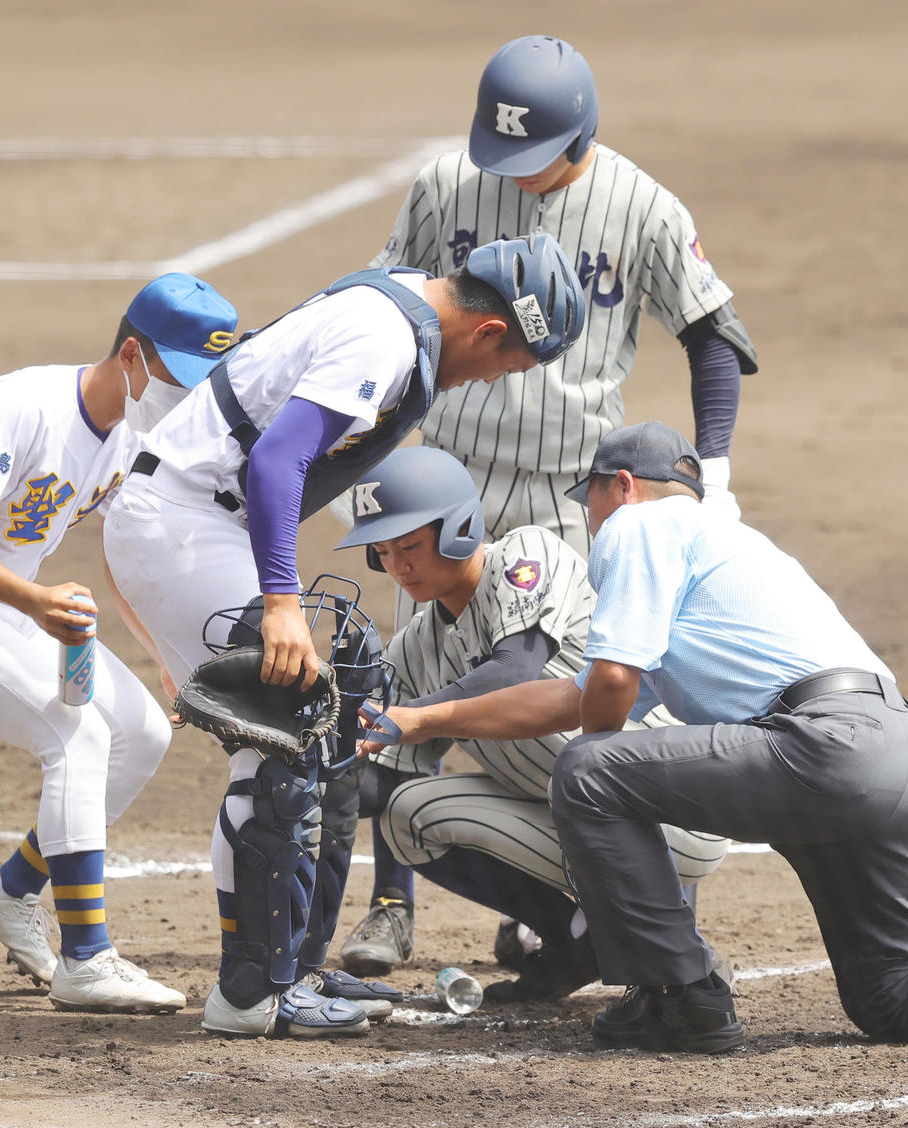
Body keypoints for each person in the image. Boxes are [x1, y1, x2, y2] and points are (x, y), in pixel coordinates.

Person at [363, 420, 908, 1053]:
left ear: (623, 486)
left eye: (592, 499)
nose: (590, 517)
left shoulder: (641, 526)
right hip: (907, 755)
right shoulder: (726, 554)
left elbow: (605, 692)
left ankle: (682, 995)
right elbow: (575, 698)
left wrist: (595, 766)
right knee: (886, 995)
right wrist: (425, 719)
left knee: (588, 771)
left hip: (823, 749)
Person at [101, 233, 587, 1038]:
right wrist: (280, 601)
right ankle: (251, 996)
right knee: (288, 738)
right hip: (187, 526)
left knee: (323, 728)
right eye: (506, 365)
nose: (492, 379)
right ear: (491, 330)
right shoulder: (385, 337)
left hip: (199, 526)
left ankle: (293, 967)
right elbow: (277, 461)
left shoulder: (403, 308)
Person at [346, 33, 759, 967]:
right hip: (448, 476)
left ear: (583, 134)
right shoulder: (447, 183)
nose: (517, 171)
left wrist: (715, 472)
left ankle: (586, 892)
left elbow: (712, 334)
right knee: (412, 681)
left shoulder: (643, 206)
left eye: (535, 154)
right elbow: (386, 296)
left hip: (577, 495)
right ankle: (390, 905)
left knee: (593, 686)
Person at [0, 273, 239, 1013]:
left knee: (141, 733)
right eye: (177, 375)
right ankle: (87, 959)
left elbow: (122, 549)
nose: (186, 394)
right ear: (130, 354)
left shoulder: (133, 437)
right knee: (77, 736)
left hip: (8, 605)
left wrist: (163, 659)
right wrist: (35, 601)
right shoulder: (23, 405)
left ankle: (8, 893)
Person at [325, 445, 729, 1003]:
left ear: (458, 528)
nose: (398, 566)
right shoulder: (415, 648)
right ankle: (575, 943)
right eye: (383, 552)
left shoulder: (525, 554)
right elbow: (383, 779)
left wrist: (415, 717)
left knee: (598, 818)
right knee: (407, 814)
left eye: (410, 546)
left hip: (670, 805)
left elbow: (514, 669)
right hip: (574, 813)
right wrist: (306, 771)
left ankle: (668, 939)